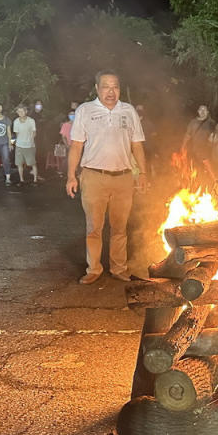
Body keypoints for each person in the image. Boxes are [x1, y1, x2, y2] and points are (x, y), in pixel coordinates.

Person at [66, 70, 148, 285]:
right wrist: (71, 176)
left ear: (119, 89)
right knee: (94, 227)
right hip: (94, 176)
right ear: (97, 88)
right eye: (106, 86)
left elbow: (137, 145)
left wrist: (143, 174)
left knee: (120, 228)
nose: (111, 91)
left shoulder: (128, 111)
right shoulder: (85, 110)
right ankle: (93, 269)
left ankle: (119, 268)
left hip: (123, 177)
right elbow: (76, 145)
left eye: (115, 87)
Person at [12, 105, 39, 185]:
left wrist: (31, 139)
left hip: (29, 145)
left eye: (22, 111)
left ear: (26, 112)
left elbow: (34, 132)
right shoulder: (16, 121)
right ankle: (21, 180)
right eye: (18, 111)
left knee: (32, 163)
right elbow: (16, 134)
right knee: (19, 163)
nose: (20, 113)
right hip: (19, 145)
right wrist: (14, 143)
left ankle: (35, 180)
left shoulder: (31, 121)